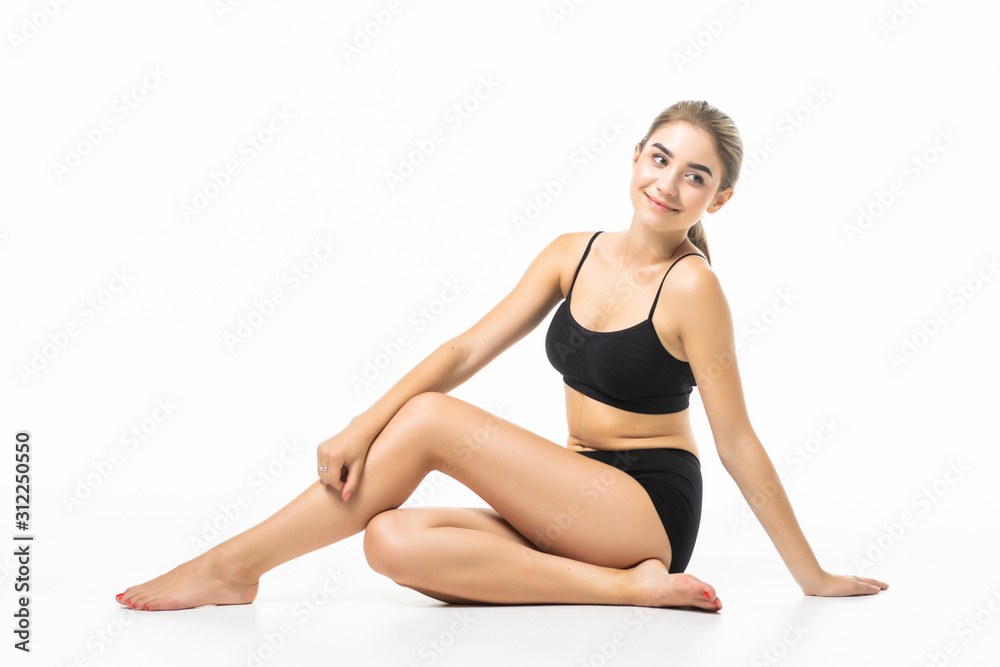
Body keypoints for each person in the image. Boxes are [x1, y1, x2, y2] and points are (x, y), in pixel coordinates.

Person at [115, 100, 888, 613]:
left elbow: (737, 440)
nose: (668, 182)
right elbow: (466, 347)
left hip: (644, 507)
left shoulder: (695, 289)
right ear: (633, 159)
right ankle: (626, 591)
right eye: (659, 158)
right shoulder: (570, 253)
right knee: (390, 540)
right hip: (573, 499)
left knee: (428, 421)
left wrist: (811, 576)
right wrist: (360, 422)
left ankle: (232, 565)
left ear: (716, 199)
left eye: (696, 175)